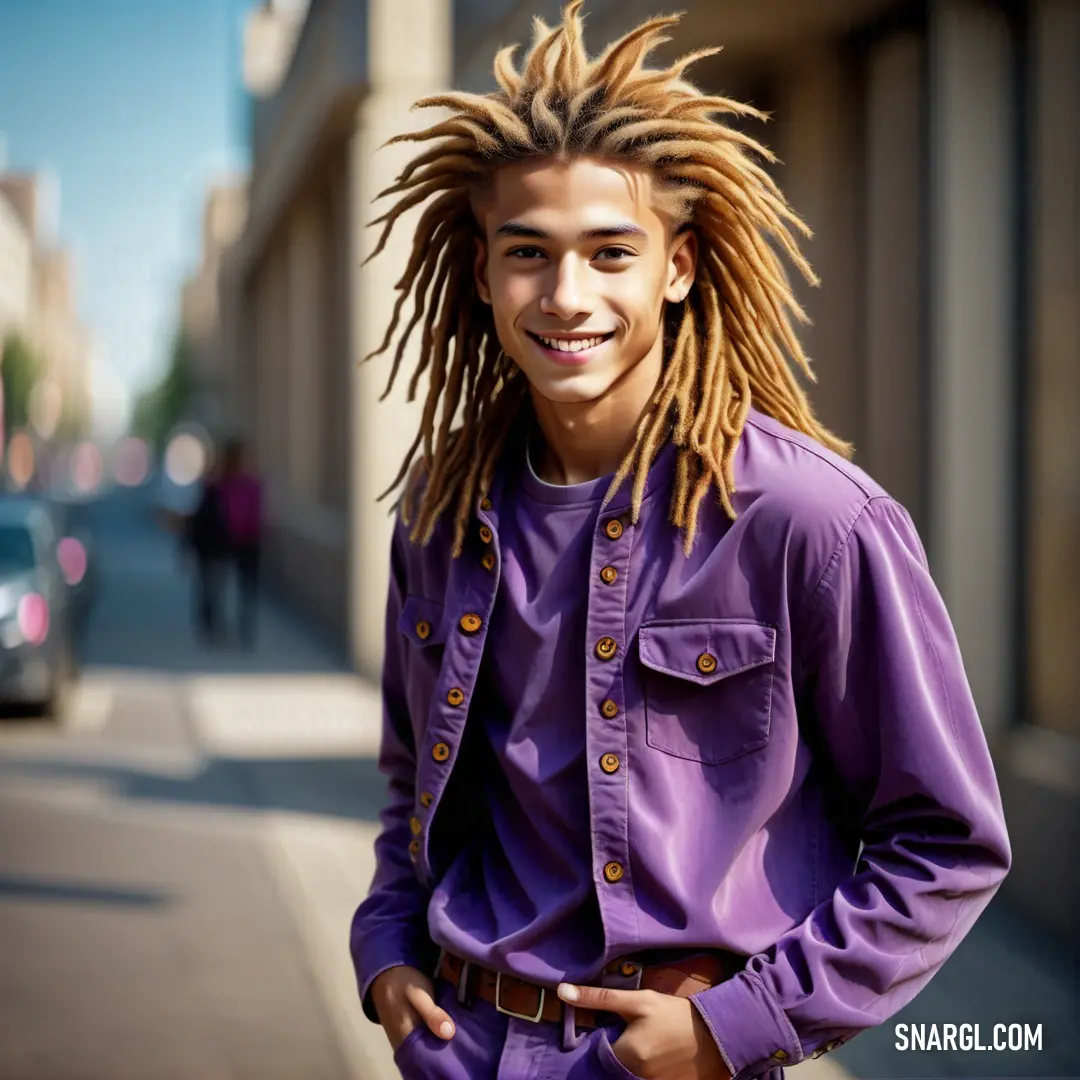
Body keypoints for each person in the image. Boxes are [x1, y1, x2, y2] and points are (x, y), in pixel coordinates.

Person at [349, 5, 1011, 1079]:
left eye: (611, 252)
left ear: (681, 265)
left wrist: (737, 1027)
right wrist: (385, 950)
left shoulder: (813, 524)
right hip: (454, 1045)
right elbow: (407, 783)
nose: (568, 297)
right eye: (529, 253)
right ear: (481, 275)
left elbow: (946, 842)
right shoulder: (440, 512)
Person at [217, 439, 263, 647]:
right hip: (227, 540)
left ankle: (244, 628)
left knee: (246, 588)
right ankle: (224, 626)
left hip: (248, 541)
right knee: (223, 585)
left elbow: (258, 512)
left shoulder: (251, 483)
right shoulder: (222, 483)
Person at [184, 457, 228, 644]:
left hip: (209, 552)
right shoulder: (213, 499)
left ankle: (210, 624)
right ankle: (211, 624)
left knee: (208, 590)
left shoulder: (205, 499)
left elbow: (192, 529)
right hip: (214, 552)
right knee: (212, 590)